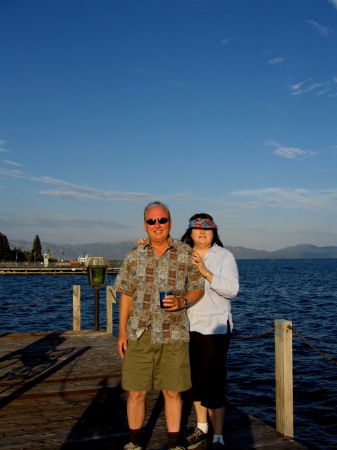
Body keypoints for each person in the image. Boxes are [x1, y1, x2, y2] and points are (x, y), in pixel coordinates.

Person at [114, 201, 205, 450]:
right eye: (152, 221)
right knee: (135, 392)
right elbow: (125, 294)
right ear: (145, 225)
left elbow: (198, 288)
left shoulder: (185, 253)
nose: (157, 225)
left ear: (170, 223)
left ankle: (174, 444)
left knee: (173, 393)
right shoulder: (134, 256)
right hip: (139, 333)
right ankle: (134, 443)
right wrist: (121, 332)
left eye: (162, 220)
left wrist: (182, 301)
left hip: (174, 334)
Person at [181, 213, 239, 450]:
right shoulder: (182, 254)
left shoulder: (224, 256)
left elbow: (232, 290)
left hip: (215, 328)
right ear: (190, 232)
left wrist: (206, 272)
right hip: (188, 326)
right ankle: (202, 427)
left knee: (214, 383)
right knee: (194, 382)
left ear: (214, 233)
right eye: (197, 228)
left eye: (207, 229)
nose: (202, 232)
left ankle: (218, 435)